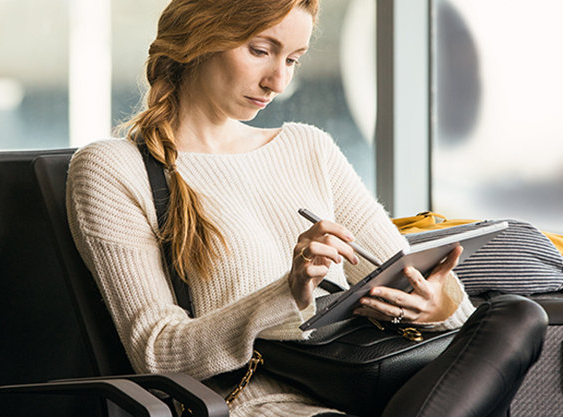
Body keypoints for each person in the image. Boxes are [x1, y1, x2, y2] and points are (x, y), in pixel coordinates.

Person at [66, 0, 547, 416]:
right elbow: (157, 353)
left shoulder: (307, 147)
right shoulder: (115, 168)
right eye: (260, 50)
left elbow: (433, 298)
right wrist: (287, 290)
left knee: (519, 316)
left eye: (293, 59)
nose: (278, 80)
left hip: (379, 382)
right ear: (198, 38)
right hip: (267, 402)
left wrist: (436, 302)